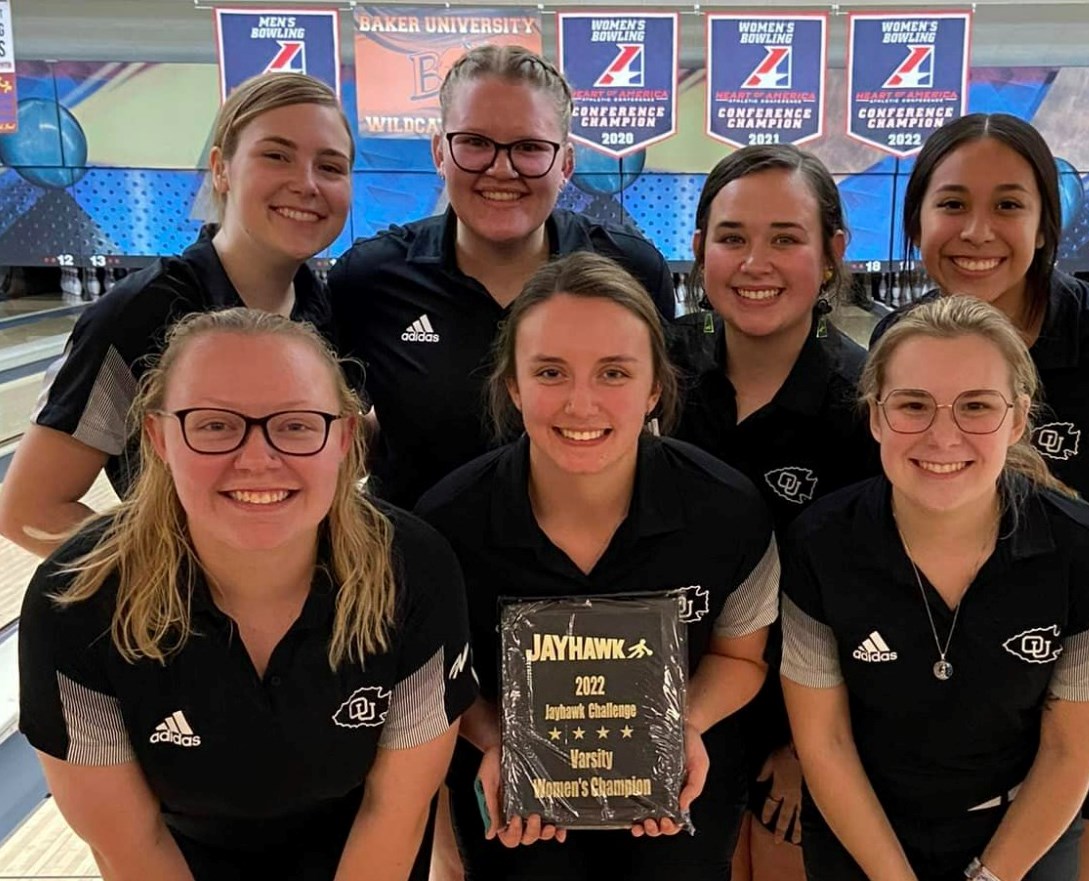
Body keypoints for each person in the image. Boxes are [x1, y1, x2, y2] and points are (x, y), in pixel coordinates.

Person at [19, 308, 478, 880]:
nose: (258, 460)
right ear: (159, 437)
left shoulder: (416, 571)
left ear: (344, 439)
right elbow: (129, 844)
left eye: (296, 425)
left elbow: (396, 814)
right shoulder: (75, 600)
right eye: (214, 425)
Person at [876, 113, 1089, 881]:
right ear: (916, 218)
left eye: (1008, 205)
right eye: (952, 203)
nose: (976, 230)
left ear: (1045, 221)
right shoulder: (900, 342)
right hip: (964, 687)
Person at [416, 252, 778, 881]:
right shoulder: (448, 522)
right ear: (513, 385)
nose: (581, 404)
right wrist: (502, 742)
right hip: (518, 789)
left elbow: (741, 659)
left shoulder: (728, 512)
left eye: (614, 372)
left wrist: (680, 729)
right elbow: (446, 679)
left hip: (682, 783)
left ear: (655, 388)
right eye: (551, 372)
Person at [783, 295, 1089, 881]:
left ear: (1018, 419)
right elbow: (826, 744)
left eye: (976, 406)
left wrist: (990, 877)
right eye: (913, 405)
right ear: (875, 417)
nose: (942, 437)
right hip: (861, 825)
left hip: (1022, 827)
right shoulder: (819, 545)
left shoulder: (1085, 553)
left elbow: (1069, 751)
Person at [0, 72, 353, 558]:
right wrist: (180, 589)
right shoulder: (141, 315)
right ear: (221, 169)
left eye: (331, 166)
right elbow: (29, 509)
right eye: (276, 155)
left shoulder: (327, 312)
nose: (307, 183)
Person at [327, 44, 676, 512]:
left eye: (530, 147)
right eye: (475, 142)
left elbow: (654, 429)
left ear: (566, 164)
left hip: (588, 573)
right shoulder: (369, 281)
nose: (501, 168)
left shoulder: (632, 272)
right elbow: (336, 437)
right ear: (440, 152)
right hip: (418, 568)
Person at [669, 143, 880, 879]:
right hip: (667, 703)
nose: (754, 261)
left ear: (831, 254)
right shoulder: (650, 369)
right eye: (731, 238)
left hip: (807, 718)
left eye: (785, 237)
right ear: (698, 251)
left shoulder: (866, 401)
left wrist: (802, 747)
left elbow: (873, 594)